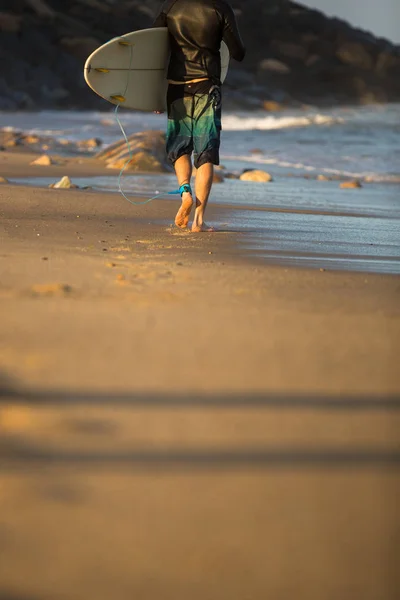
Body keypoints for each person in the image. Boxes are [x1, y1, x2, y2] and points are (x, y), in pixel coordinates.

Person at [153, 0, 245, 232]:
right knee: (205, 153)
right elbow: (237, 52)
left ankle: (185, 191)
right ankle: (199, 221)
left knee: (179, 147)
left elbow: (153, 47)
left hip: (176, 87)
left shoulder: (171, 6)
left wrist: (151, 94)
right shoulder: (220, 7)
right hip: (206, 85)